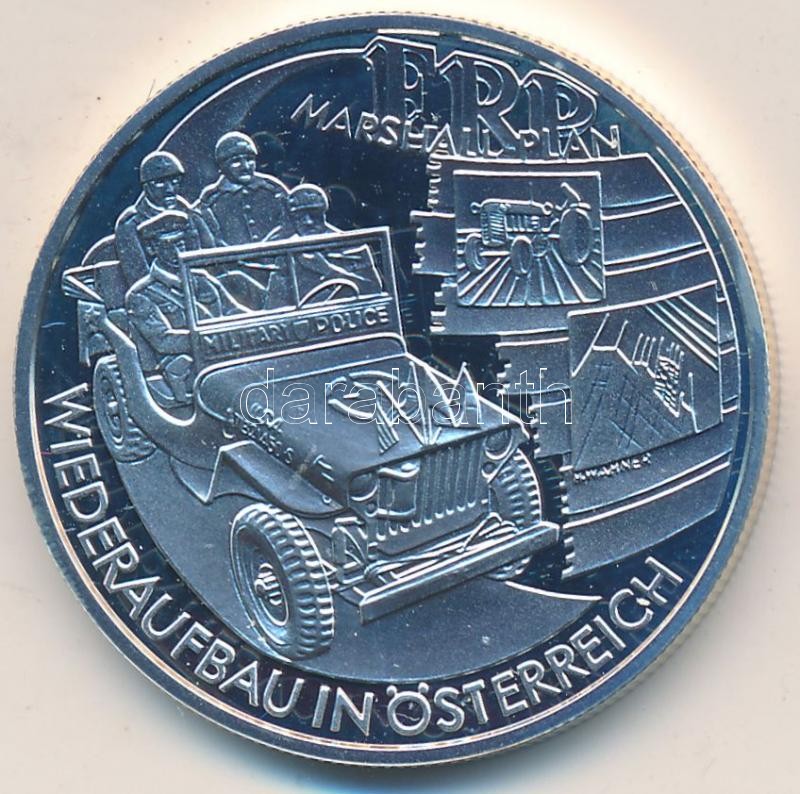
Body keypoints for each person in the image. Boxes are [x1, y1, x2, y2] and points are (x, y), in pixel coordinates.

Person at [126, 211, 242, 404]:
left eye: (180, 243)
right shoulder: (141, 295)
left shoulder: (203, 280)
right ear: (152, 248)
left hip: (226, 355)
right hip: (186, 367)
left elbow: (234, 310)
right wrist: (217, 340)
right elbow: (163, 341)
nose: (177, 251)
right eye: (168, 245)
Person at [265, 185, 382, 309]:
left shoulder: (353, 247)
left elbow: (373, 290)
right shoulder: (286, 253)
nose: (308, 222)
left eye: (313, 214)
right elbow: (273, 306)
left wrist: (327, 270)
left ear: (323, 214)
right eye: (300, 217)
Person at [114, 151, 213, 288]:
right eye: (160, 182)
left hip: (201, 286)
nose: (170, 189)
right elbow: (138, 276)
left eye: (174, 181)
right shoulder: (130, 223)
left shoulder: (190, 213)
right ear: (146, 186)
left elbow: (211, 258)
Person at [196, 131, 289, 245]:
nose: (245, 166)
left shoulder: (272, 188)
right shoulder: (210, 199)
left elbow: (290, 222)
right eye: (236, 161)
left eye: (250, 159)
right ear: (222, 165)